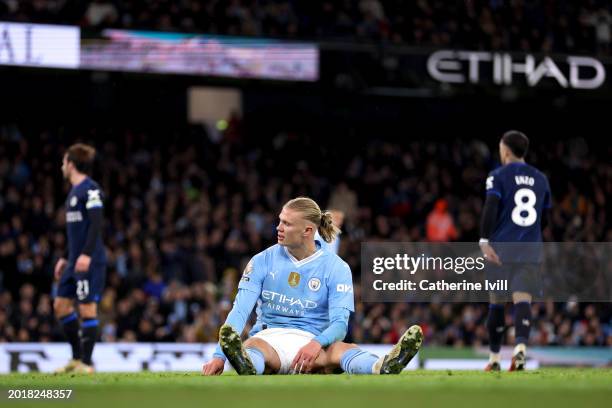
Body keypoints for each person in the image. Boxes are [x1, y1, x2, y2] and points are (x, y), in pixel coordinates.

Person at [202, 197, 422, 375]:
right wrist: (218, 356)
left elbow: (339, 324)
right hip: (269, 339)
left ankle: (380, 367)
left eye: (286, 223)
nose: (278, 227)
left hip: (314, 343)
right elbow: (240, 311)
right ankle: (247, 365)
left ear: (307, 231)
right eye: (280, 220)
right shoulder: (261, 261)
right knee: (253, 347)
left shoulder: (337, 267)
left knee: (341, 349)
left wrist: (316, 343)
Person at [479, 131, 551, 371]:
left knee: (497, 302)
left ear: (506, 150)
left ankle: (494, 359)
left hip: (501, 249)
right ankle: (520, 349)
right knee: (523, 300)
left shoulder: (497, 175)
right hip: (530, 249)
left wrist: (484, 240)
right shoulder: (541, 179)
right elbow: (545, 217)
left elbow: (491, 206)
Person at [53, 144, 107, 374]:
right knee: (61, 306)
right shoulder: (72, 193)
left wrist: (85, 254)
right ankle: (76, 358)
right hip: (74, 260)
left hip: (90, 260)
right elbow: (77, 232)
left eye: (64, 162)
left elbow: (96, 224)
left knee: (87, 309)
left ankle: (86, 363)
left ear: (72, 165)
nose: (62, 166)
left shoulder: (91, 189)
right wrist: (65, 257)